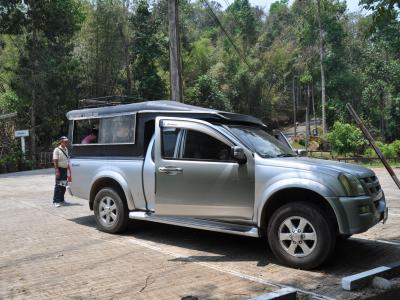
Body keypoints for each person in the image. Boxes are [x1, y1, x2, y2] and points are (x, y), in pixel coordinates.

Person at [53, 136, 70, 207]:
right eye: (65, 141)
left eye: (66, 141)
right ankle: (56, 201)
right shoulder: (57, 150)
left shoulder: (66, 149)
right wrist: (57, 170)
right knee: (58, 185)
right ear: (61, 142)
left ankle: (62, 200)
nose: (66, 143)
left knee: (63, 185)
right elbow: (55, 160)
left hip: (65, 169)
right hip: (59, 169)